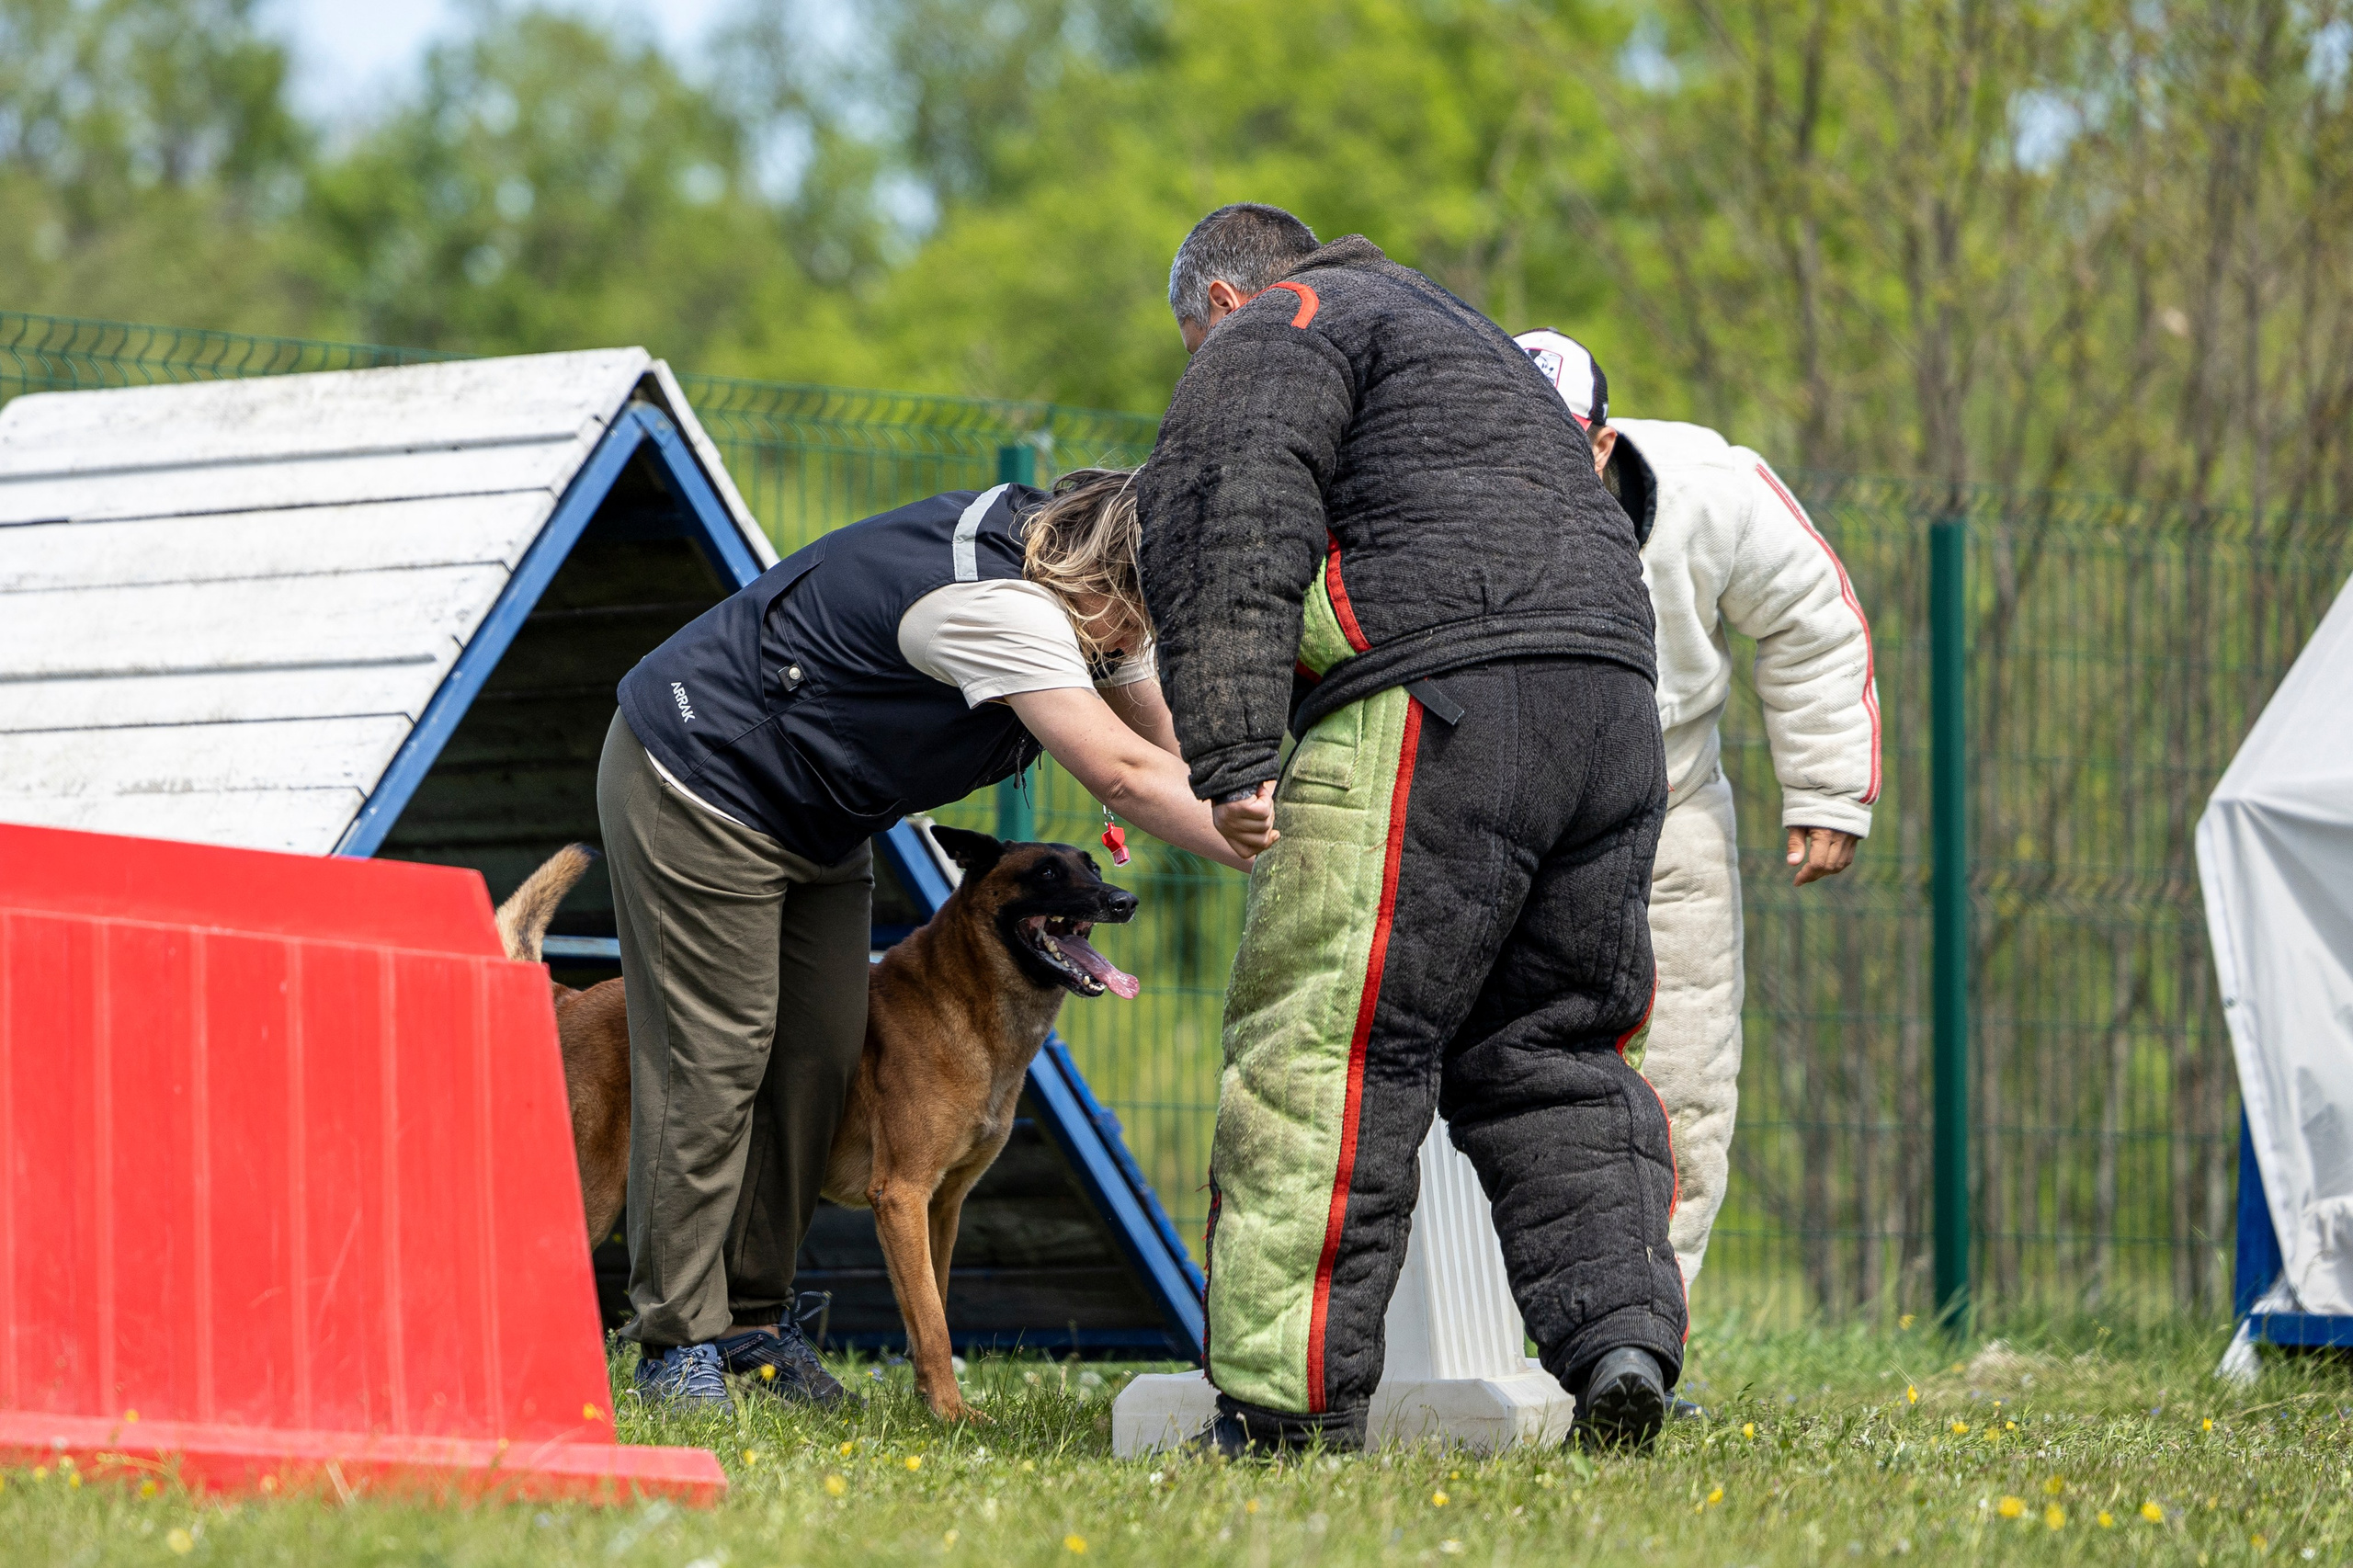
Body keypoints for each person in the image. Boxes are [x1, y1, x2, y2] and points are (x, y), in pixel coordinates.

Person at [1137, 204, 1687, 1453]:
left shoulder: (1283, 323)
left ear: (1220, 303)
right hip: (1613, 705)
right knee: (1557, 1048)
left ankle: (1282, 1407)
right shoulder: (1460, 327)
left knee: (1326, 1046)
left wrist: (1227, 748)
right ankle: (1621, 1344)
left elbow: (1232, 519)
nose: (1199, 370)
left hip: (1438, 702)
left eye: (1189, 347)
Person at [605, 469, 1255, 1408]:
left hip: (816, 814)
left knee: (820, 1057)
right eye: (1142, 621)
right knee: (718, 1054)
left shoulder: (1083, 594)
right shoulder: (1002, 607)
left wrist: (1265, 795)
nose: (1139, 645)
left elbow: (1174, 755)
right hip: (698, 775)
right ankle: (675, 1342)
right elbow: (1123, 773)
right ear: (1105, 581)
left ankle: (750, 1324)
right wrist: (1275, 857)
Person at [1516, 329, 1878, 1295]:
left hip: (1670, 807)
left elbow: (1811, 618)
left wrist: (1827, 787)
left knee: (1685, 1078)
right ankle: (1497, 1327)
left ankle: (1645, 1335)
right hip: (1499, 818)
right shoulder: (1435, 486)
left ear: (1601, 443)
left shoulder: (1712, 485)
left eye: (1556, 450)